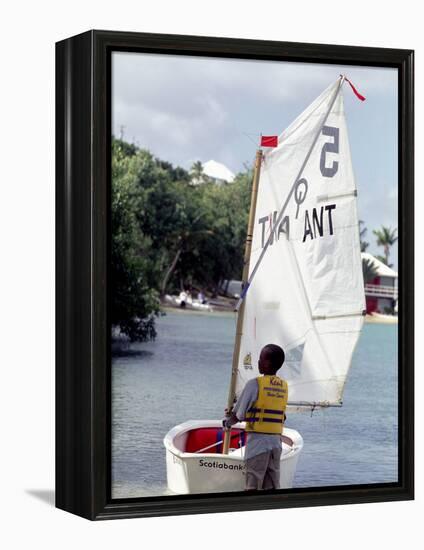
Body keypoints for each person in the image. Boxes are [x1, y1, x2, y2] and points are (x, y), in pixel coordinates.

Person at [222, 344, 288, 491]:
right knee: (271, 486)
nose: (258, 362)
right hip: (276, 445)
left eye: (261, 359)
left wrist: (226, 423)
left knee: (252, 486)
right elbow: (278, 416)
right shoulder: (283, 386)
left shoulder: (254, 384)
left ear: (268, 363)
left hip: (258, 444)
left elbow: (238, 416)